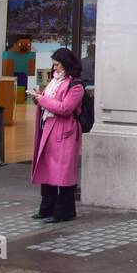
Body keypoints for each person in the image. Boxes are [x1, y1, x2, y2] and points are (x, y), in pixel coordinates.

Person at [29, 48, 85, 223]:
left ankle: (63, 212)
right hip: (49, 128)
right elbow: (50, 102)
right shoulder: (54, 82)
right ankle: (47, 208)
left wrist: (42, 99)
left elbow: (65, 108)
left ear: (66, 65)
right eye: (53, 65)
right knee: (48, 170)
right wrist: (38, 97)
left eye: (57, 65)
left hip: (64, 131)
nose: (54, 69)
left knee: (62, 174)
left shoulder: (75, 86)